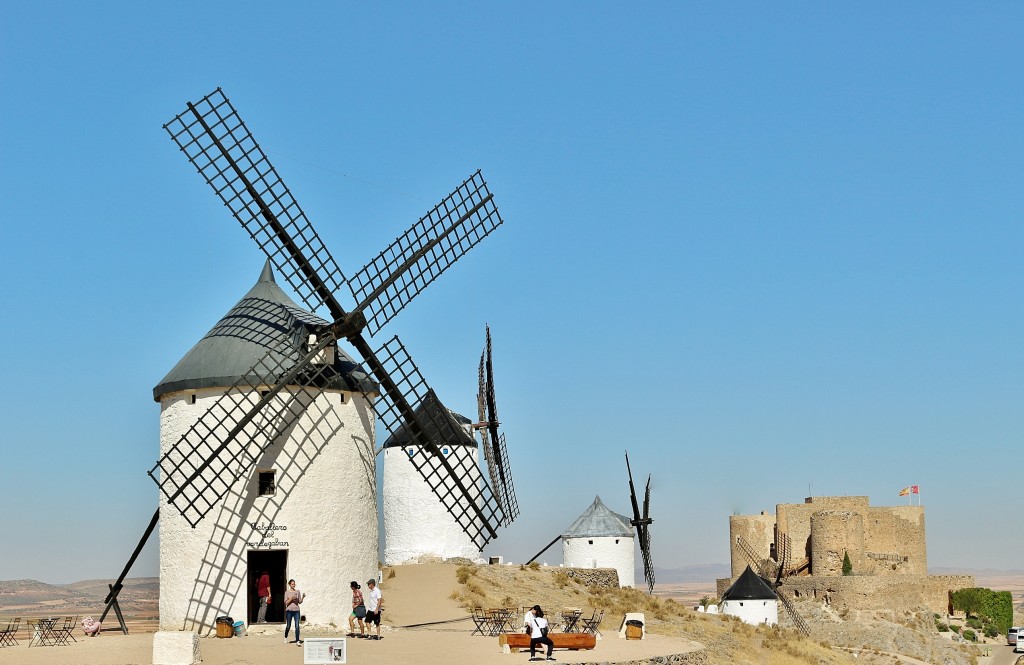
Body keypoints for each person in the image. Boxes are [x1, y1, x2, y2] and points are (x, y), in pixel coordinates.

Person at [283, 579, 305, 645]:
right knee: (288, 626)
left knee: (297, 626)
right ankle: (285, 637)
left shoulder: (298, 592)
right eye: (292, 584)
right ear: (289, 585)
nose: (294, 585)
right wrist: (291, 599)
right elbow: (286, 603)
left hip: (297, 611)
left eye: (294, 584)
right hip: (289, 611)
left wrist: (303, 597)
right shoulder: (287, 592)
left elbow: (300, 601)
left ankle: (297, 640)